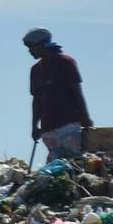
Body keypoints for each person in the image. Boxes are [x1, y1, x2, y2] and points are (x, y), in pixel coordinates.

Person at [27, 27, 94, 161]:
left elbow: (76, 92)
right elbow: (37, 101)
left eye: (32, 47)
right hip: (48, 128)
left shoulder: (66, 63)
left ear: (41, 45)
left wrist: (85, 117)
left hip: (69, 124)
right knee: (58, 165)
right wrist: (35, 127)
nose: (29, 51)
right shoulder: (35, 70)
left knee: (74, 162)